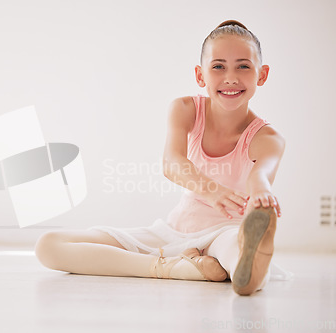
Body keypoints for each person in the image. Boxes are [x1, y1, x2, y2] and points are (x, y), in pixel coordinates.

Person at [34, 20, 285, 296]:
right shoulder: (185, 109)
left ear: (262, 74)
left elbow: (260, 175)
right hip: (174, 230)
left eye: (243, 66)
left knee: (241, 260)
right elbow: (172, 163)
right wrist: (212, 190)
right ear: (200, 75)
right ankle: (172, 267)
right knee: (49, 245)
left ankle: (239, 265)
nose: (230, 77)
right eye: (218, 66)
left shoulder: (268, 138)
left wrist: (262, 193)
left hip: (226, 231)